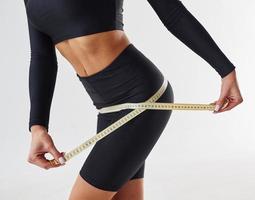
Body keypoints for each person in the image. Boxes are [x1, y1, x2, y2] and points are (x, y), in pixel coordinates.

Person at [23, 0, 243, 199]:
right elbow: (42, 57)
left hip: (140, 99)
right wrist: (38, 126)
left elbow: (173, 13)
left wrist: (225, 70)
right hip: (107, 109)